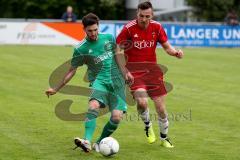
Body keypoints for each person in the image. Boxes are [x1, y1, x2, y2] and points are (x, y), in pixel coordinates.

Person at [46, 13, 126, 152]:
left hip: (117, 82)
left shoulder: (109, 38)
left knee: (117, 117)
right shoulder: (81, 48)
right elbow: (72, 70)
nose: (94, 33)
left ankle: (99, 143)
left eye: (95, 29)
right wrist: (56, 88)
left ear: (98, 27)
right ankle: (87, 141)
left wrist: (125, 73)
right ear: (84, 29)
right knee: (93, 105)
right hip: (99, 81)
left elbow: (118, 54)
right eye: (90, 31)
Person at [116, 1, 183, 148]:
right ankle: (147, 125)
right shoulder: (128, 29)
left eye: (147, 16)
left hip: (152, 72)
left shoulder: (157, 27)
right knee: (142, 102)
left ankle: (164, 138)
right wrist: (124, 70)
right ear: (137, 14)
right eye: (141, 16)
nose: (144, 19)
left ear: (152, 15)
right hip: (134, 72)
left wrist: (175, 53)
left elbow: (167, 47)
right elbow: (119, 51)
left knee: (161, 108)